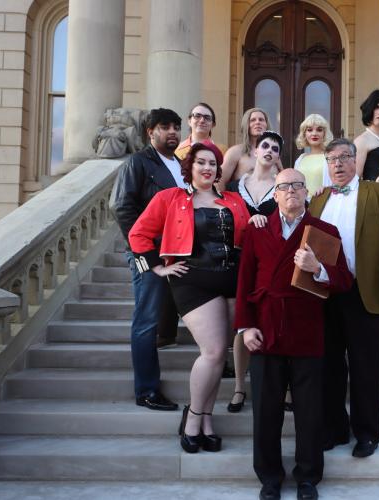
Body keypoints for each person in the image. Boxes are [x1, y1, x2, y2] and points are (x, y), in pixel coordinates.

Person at [236, 168, 353, 500]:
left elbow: (344, 280)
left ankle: (307, 478)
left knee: (309, 410)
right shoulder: (258, 231)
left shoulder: (323, 231)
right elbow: (244, 283)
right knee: (266, 411)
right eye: (284, 187)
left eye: (298, 186)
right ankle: (269, 478)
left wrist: (319, 268)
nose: (291, 191)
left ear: (306, 193)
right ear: (274, 194)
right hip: (265, 332)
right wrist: (246, 328)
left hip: (307, 331)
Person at [128, 141, 251, 453]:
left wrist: (260, 221)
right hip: (193, 281)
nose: (208, 168)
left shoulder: (235, 201)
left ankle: (207, 418)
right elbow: (137, 235)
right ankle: (193, 416)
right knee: (211, 353)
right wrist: (155, 267)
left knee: (219, 356)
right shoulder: (170, 198)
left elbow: (249, 237)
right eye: (201, 163)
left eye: (213, 163)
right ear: (190, 168)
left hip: (232, 280)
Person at [309, 138, 379, 458]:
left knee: (366, 366)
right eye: (331, 159)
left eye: (343, 158)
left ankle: (367, 433)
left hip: (365, 290)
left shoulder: (377, 193)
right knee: (329, 366)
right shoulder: (319, 200)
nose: (337, 164)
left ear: (355, 161)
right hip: (325, 292)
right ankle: (334, 428)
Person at [110, 108, 185, 412]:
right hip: (146, 255)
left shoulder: (181, 165)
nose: (172, 132)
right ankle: (147, 390)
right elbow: (121, 207)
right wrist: (148, 256)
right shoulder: (138, 162)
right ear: (150, 131)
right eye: (165, 127)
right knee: (146, 320)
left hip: (175, 252)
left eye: (176, 127)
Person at [224, 130, 283, 414]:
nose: (269, 150)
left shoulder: (281, 187)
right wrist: (249, 220)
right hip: (238, 260)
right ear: (255, 151)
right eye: (265, 146)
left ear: (277, 156)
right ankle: (238, 387)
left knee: (271, 320)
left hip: (270, 264)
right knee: (242, 322)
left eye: (274, 147)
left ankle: (281, 388)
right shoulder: (236, 186)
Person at [219, 107, 273, 187]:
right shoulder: (235, 152)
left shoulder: (274, 153)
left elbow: (284, 181)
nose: (258, 122)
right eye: (253, 120)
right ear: (246, 125)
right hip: (241, 198)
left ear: (266, 125)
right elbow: (220, 182)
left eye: (261, 120)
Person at [294, 114, 333, 197]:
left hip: (323, 205)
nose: (314, 133)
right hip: (302, 206)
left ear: (324, 133)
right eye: (310, 130)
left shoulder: (331, 157)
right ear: (304, 134)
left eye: (319, 130)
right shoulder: (300, 159)